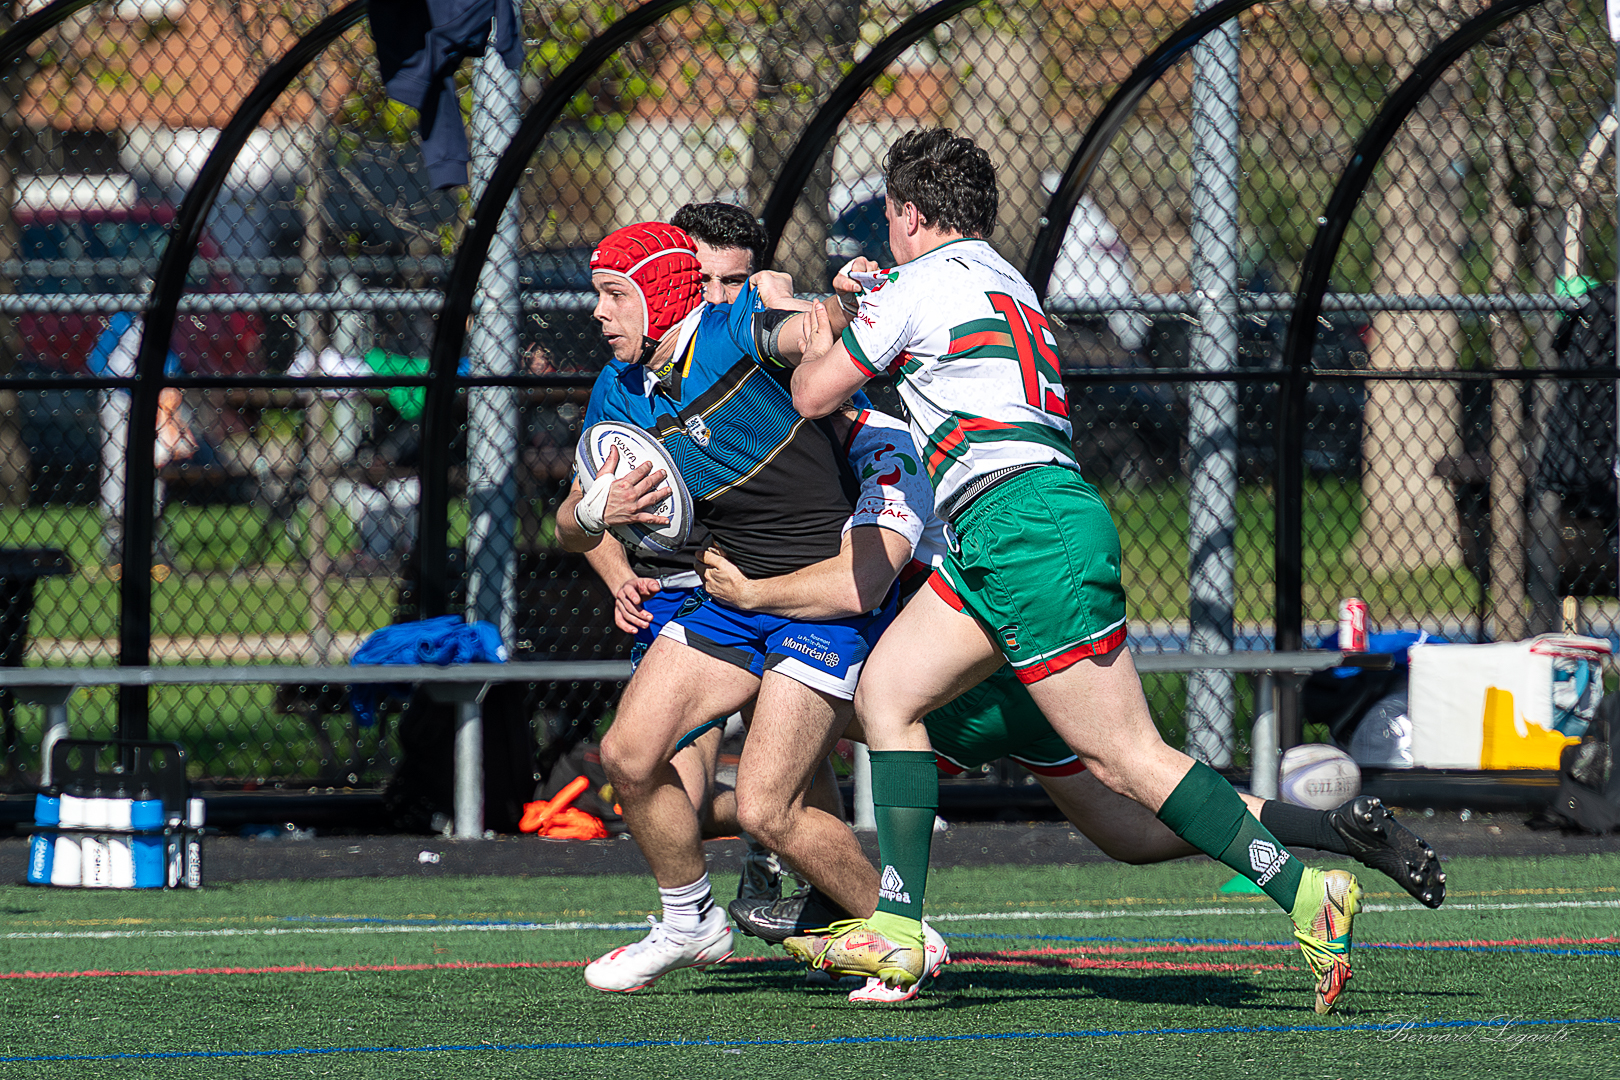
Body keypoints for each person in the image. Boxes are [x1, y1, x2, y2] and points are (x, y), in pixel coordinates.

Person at [783, 128, 1363, 1014]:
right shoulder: (1008, 278)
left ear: (905, 212)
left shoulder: (914, 281)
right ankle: (897, 929)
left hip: (1022, 522)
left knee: (1127, 757)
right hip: (1003, 527)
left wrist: (842, 310)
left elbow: (813, 393)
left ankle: (1305, 893)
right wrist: (873, 295)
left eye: (889, 217)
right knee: (888, 695)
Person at [706, 402, 1445, 1003]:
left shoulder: (861, 433)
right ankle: (1326, 832)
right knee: (1132, 820)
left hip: (974, 649)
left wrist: (752, 595)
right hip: (984, 645)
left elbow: (860, 583)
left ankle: (883, 923)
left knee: (829, 709)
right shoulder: (842, 415)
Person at [555, 221, 887, 994]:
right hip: (727, 596)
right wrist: (597, 511)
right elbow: (569, 525)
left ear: (662, 295)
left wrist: (843, 300)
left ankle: (900, 932)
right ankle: (689, 921)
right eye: (597, 296)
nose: (599, 314)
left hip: (816, 597)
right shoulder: (620, 387)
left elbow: (807, 330)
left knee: (769, 809)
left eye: (614, 297)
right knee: (629, 755)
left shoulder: (735, 328)